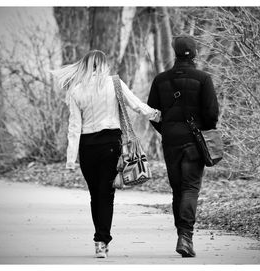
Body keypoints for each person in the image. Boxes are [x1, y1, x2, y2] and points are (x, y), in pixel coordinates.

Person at [52, 50, 161, 258]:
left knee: (95, 195)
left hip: (87, 147)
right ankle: (102, 241)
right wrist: (156, 115)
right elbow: (136, 105)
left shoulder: (75, 90)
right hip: (111, 144)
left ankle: (99, 241)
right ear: (104, 65)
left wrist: (70, 160)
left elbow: (74, 127)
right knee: (107, 194)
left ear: (85, 65)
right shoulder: (114, 84)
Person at [147, 35, 219, 257]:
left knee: (178, 190)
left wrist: (167, 130)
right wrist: (202, 131)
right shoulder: (203, 78)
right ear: (195, 53)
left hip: (171, 141)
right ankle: (185, 237)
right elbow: (212, 114)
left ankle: (182, 234)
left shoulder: (161, 80)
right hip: (194, 141)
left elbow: (152, 114)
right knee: (190, 188)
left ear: (174, 52)